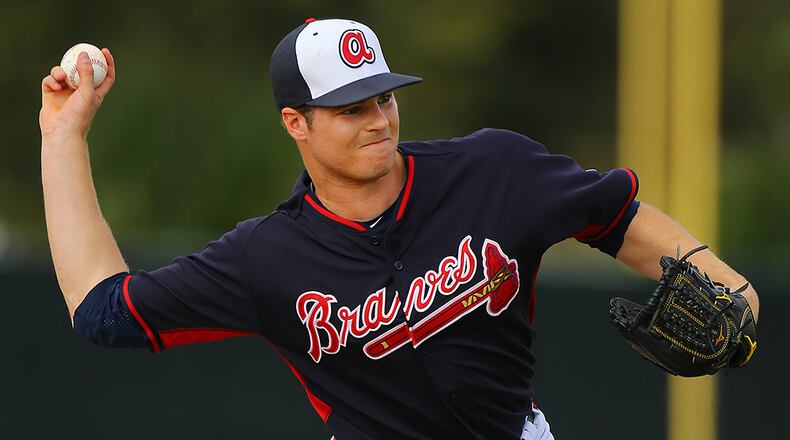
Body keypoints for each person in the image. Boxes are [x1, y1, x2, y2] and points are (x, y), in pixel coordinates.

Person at [40, 18, 759, 440]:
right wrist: (64, 138)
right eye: (351, 108)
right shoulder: (266, 257)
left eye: (382, 97)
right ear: (296, 123)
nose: (379, 120)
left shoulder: (493, 171)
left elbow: (617, 217)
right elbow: (103, 310)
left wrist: (728, 283)